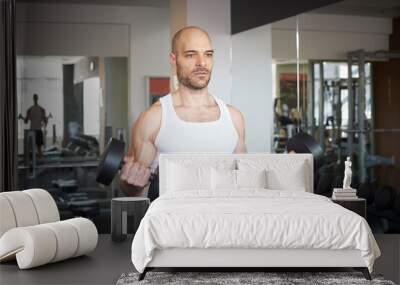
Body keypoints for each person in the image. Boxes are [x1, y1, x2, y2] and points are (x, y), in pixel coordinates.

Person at [120, 26, 247, 201]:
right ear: (174, 59)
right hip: (170, 224)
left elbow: (242, 184)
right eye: (190, 55)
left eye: (208, 54)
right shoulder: (154, 118)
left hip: (223, 222)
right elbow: (132, 190)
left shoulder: (234, 118)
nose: (202, 62)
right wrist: (131, 183)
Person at [19, 94, 48, 158]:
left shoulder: (30, 110)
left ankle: (36, 163)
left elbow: (26, 121)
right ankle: (39, 161)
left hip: (33, 131)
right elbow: (45, 121)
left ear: (33, 99)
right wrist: (44, 122)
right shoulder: (42, 110)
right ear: (37, 98)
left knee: (31, 150)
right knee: (39, 150)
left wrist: (21, 117)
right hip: (38, 131)